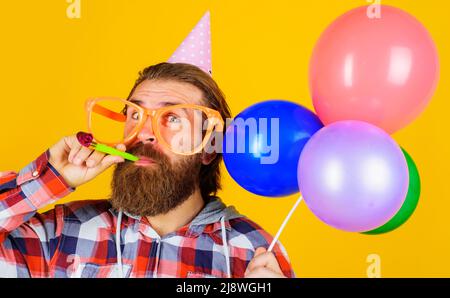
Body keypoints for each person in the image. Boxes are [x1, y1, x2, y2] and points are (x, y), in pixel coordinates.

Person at [0, 62, 295, 278]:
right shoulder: (62, 233)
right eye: (136, 114)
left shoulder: (252, 252)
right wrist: (52, 178)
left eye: (173, 118)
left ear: (208, 149)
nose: (144, 133)